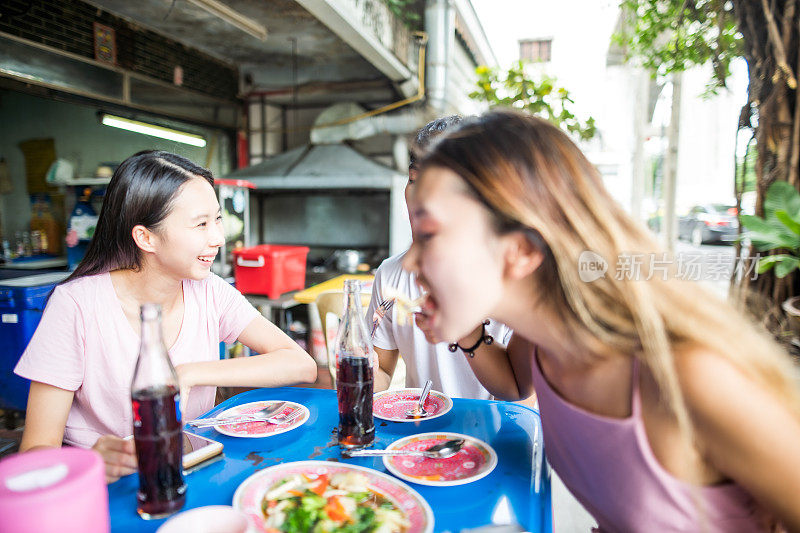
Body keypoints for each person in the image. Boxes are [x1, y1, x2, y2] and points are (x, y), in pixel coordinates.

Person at [404, 110, 800, 531]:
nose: (410, 262)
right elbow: (514, 387)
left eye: (428, 235)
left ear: (519, 250)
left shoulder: (690, 378)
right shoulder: (543, 343)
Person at [15, 151, 317, 482]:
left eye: (217, 220)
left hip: (193, 472)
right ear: (146, 237)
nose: (217, 238)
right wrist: (91, 463)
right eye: (201, 224)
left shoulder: (209, 291)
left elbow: (301, 364)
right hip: (110, 490)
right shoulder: (76, 305)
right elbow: (35, 450)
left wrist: (188, 374)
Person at [367, 116, 511, 399]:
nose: (420, 198)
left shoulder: (513, 278)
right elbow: (382, 370)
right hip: (421, 432)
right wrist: (365, 374)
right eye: (413, 180)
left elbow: (521, 399)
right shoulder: (390, 274)